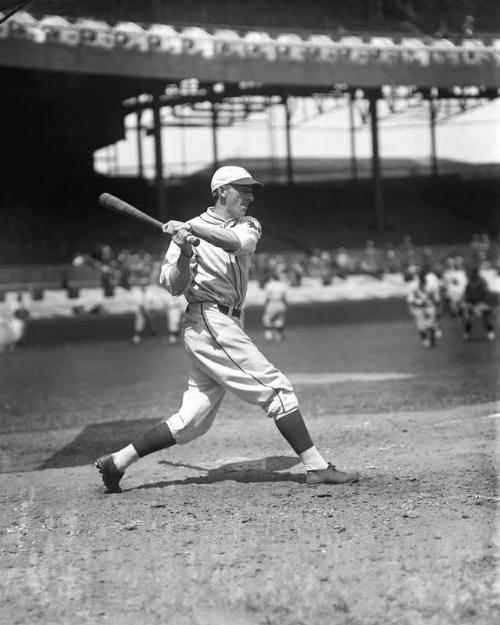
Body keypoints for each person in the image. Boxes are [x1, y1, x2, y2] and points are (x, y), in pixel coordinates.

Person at [95, 165, 360, 492]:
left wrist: (196, 232)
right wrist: (185, 252)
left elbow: (236, 243)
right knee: (277, 389)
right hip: (208, 319)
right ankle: (316, 466)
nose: (249, 197)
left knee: (191, 422)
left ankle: (117, 462)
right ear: (221, 191)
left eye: (251, 191)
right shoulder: (185, 232)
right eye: (243, 189)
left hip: (227, 321)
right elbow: (174, 287)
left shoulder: (247, 224)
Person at [461, 266, 496, 341]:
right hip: (472, 304)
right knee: (469, 320)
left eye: (475, 273)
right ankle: (467, 334)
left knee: (486, 319)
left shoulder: (482, 282)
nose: (474, 274)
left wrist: (482, 303)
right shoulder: (469, 283)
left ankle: (490, 332)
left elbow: (486, 293)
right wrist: (469, 304)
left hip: (482, 303)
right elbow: (467, 294)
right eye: (473, 273)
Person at [407, 268, 440, 348]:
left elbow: (436, 299)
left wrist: (438, 308)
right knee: (421, 327)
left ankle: (432, 341)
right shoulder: (414, 288)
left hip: (429, 308)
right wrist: (411, 308)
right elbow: (410, 300)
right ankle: (425, 340)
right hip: (419, 309)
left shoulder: (430, 287)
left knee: (431, 325)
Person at [262, 269, 288, 342]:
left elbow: (267, 297)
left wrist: (265, 306)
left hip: (272, 302)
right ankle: (279, 338)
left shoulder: (269, 285)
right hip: (280, 302)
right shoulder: (282, 284)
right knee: (279, 320)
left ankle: (268, 336)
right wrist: (285, 306)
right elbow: (285, 297)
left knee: (266, 319)